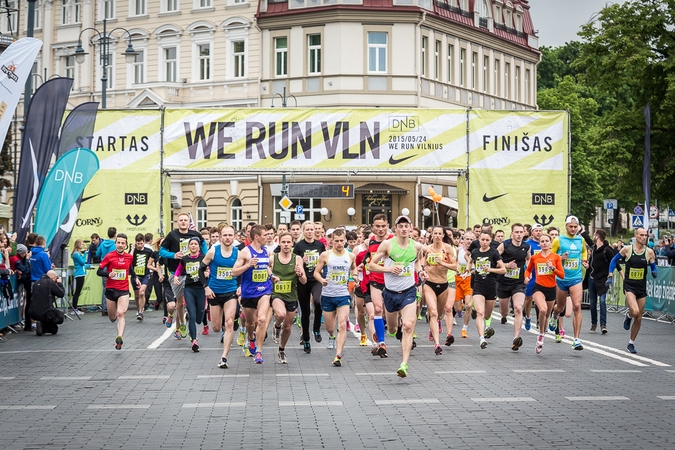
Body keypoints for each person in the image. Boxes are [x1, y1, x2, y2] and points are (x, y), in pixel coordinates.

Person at [369, 215, 426, 378]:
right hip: (390, 293)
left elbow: (417, 262)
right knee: (393, 329)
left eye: (406, 226)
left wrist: (421, 271)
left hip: (408, 291)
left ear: (410, 228)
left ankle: (404, 364)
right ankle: (393, 331)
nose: (403, 229)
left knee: (408, 325)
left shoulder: (416, 246)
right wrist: (388, 269)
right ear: (395, 229)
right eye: (400, 226)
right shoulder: (387, 245)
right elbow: (371, 265)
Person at [608, 227, 656, 354]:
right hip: (629, 285)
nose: (644, 237)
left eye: (646, 235)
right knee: (634, 311)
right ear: (636, 236)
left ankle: (631, 343)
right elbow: (614, 260)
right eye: (641, 235)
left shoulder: (649, 252)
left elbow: (652, 264)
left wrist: (654, 271)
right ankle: (628, 315)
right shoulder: (627, 250)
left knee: (639, 317)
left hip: (641, 286)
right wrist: (610, 273)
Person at [314, 229, 357, 367]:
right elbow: (316, 272)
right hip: (327, 295)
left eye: (341, 241)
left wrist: (355, 276)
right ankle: (332, 336)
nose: (339, 243)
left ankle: (338, 355)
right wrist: (321, 280)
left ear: (345, 240)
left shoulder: (351, 256)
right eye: (336, 241)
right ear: (332, 241)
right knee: (329, 327)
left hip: (343, 294)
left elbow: (353, 268)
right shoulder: (325, 255)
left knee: (342, 324)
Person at [160, 213, 206, 339]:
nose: (183, 222)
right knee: (179, 302)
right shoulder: (172, 235)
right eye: (181, 220)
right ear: (177, 222)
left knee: (192, 304)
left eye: (185, 220)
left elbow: (204, 245)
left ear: (188, 222)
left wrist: (206, 259)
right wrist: (173, 255)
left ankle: (188, 327)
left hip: (193, 273)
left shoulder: (195, 234)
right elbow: (162, 251)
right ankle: (182, 324)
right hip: (177, 272)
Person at [200, 225, 240, 367]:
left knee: (229, 323)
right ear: (220, 237)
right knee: (216, 327)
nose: (228, 238)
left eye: (230, 235)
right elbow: (201, 269)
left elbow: (241, 272)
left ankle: (224, 357)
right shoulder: (213, 251)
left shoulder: (238, 253)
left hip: (231, 292)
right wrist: (206, 287)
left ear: (234, 236)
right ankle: (223, 328)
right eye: (225, 235)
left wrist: (240, 286)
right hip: (214, 293)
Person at [233, 224, 273, 364]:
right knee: (250, 323)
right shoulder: (245, 252)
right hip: (249, 293)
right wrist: (248, 265)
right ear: (257, 237)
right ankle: (250, 338)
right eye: (265, 235)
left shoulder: (267, 252)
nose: (268, 237)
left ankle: (259, 351)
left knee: (261, 320)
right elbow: (234, 272)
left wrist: (272, 275)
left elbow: (267, 267)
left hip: (264, 290)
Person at [550, 216, 588, 351]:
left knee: (577, 306)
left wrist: (584, 260)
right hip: (561, 278)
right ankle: (554, 317)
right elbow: (549, 257)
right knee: (559, 308)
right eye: (570, 226)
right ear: (566, 226)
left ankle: (576, 339)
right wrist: (560, 258)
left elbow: (584, 252)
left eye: (575, 226)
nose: (573, 229)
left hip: (576, 278)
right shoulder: (558, 240)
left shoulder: (580, 239)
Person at [268, 232, 306, 364]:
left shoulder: (297, 259)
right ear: (279, 243)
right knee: (281, 314)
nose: (286, 245)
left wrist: (300, 274)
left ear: (292, 244)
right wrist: (272, 275)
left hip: (291, 295)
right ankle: (277, 326)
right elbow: (266, 269)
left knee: (288, 327)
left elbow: (304, 281)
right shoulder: (273, 258)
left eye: (288, 242)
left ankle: (281, 350)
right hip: (277, 294)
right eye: (283, 242)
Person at [466, 230, 506, 350]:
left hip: (491, 285)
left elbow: (503, 269)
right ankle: (481, 338)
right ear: (479, 240)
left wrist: (490, 270)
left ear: (490, 241)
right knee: (480, 313)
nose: (484, 242)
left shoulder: (494, 253)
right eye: (482, 240)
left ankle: (483, 324)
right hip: (479, 285)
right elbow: (470, 261)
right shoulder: (475, 252)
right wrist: (468, 270)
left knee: (487, 315)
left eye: (487, 240)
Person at [525, 234, 564, 354]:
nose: (544, 243)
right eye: (542, 241)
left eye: (547, 241)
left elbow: (561, 275)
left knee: (547, 315)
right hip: (538, 288)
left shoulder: (556, 257)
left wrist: (552, 268)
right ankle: (541, 335)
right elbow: (528, 269)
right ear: (540, 244)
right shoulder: (535, 257)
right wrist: (527, 277)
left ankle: (553, 319)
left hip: (551, 289)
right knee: (542, 310)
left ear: (550, 243)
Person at [421, 226, 457, 355]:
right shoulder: (427, 249)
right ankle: (437, 344)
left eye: (439, 233)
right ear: (432, 235)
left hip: (443, 284)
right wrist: (422, 271)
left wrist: (442, 263)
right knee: (434, 312)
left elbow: (455, 266)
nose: (437, 235)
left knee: (440, 315)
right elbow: (422, 263)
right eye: (435, 233)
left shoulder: (447, 249)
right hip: (429, 283)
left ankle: (434, 326)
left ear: (443, 235)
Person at [496, 223, 530, 351]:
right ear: (512, 233)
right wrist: (505, 265)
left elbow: (529, 261)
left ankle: (516, 339)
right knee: (504, 312)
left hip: (518, 283)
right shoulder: (504, 245)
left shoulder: (526, 247)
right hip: (503, 283)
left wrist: (528, 275)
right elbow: (494, 259)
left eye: (521, 232)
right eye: (516, 232)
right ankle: (504, 317)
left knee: (518, 308)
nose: (519, 234)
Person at [293, 221, 326, 353]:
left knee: (318, 302)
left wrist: (323, 269)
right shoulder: (299, 246)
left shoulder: (320, 245)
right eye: (307, 229)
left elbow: (324, 260)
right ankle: (306, 339)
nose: (310, 231)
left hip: (316, 279)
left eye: (312, 229)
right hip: (303, 281)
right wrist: (302, 260)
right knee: (305, 312)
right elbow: (294, 261)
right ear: (303, 231)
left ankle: (316, 328)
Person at [98, 234, 135, 350]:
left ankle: (119, 337)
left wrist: (136, 278)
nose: (120, 245)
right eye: (118, 243)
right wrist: (108, 274)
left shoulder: (129, 257)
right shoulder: (109, 256)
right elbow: (99, 272)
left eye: (122, 243)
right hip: (110, 289)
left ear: (126, 245)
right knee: (112, 317)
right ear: (115, 243)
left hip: (123, 289)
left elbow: (130, 269)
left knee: (121, 313)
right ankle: (119, 332)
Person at [174, 236, 207, 352]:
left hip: (201, 289)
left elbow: (209, 269)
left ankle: (194, 329)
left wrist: (208, 273)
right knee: (192, 315)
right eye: (191, 244)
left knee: (199, 318)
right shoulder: (185, 258)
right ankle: (194, 340)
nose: (193, 246)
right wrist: (176, 277)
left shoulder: (204, 258)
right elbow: (179, 269)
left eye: (195, 244)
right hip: (189, 289)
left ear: (198, 246)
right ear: (188, 246)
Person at [368, 214, 393, 358]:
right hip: (375, 280)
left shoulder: (393, 241)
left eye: (383, 226)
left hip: (392, 281)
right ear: (373, 226)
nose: (380, 229)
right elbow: (367, 258)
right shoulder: (370, 241)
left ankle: (396, 329)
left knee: (391, 319)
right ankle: (381, 343)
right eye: (377, 226)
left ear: (388, 226)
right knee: (377, 309)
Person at [582, 229, 616, 334]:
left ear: (597, 236)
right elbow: (591, 263)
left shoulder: (607, 249)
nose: (593, 237)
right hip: (592, 278)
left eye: (594, 235)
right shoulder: (593, 248)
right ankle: (594, 324)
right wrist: (587, 266)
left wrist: (619, 274)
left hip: (603, 279)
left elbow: (615, 261)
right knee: (592, 303)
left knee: (602, 301)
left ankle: (603, 325)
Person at [29, 270, 65, 336]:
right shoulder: (50, 282)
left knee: (46, 317)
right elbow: (61, 294)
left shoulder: (36, 283)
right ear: (53, 277)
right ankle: (43, 327)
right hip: (47, 312)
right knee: (56, 325)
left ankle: (41, 324)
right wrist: (59, 283)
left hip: (33, 312)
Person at [455, 231, 475, 339]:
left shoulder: (476, 252)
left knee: (468, 305)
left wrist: (469, 272)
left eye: (471, 239)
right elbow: (455, 262)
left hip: (469, 281)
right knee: (458, 309)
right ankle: (460, 305)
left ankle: (464, 329)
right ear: (463, 239)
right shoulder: (458, 250)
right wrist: (457, 269)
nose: (469, 241)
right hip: (458, 280)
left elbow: (477, 267)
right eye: (467, 239)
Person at [131, 233, 154, 322]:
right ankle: (138, 308)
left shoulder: (148, 251)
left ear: (144, 242)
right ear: (135, 243)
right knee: (137, 295)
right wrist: (133, 249)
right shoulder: (133, 250)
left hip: (145, 275)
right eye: (138, 243)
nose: (139, 245)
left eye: (141, 243)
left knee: (141, 293)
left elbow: (153, 260)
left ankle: (141, 312)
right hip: (134, 275)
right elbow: (129, 258)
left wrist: (153, 269)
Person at [96, 228, 117, 316]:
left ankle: (104, 309)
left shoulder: (103, 243)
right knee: (115, 288)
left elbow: (97, 254)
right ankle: (113, 309)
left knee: (105, 288)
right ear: (115, 234)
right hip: (113, 269)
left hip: (104, 268)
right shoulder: (116, 245)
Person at [13, 244, 32, 329]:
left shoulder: (20, 258)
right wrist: (27, 259)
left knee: (26, 301)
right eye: (24, 253)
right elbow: (25, 270)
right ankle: (26, 323)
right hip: (23, 281)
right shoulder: (16, 259)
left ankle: (27, 322)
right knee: (26, 301)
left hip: (24, 280)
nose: (25, 254)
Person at [71, 239, 90, 315]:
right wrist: (85, 254)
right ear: (78, 244)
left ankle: (75, 308)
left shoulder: (77, 254)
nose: (83, 245)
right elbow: (82, 262)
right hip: (79, 274)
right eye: (82, 244)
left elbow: (82, 264)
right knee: (77, 292)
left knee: (78, 292)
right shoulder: (76, 254)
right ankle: (74, 309)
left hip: (80, 274)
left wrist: (89, 265)